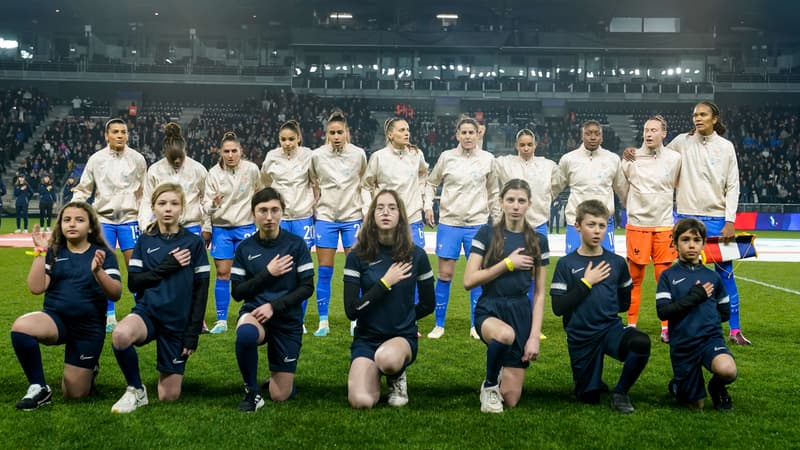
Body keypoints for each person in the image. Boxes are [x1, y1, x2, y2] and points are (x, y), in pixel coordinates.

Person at [11, 202, 122, 410]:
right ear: (60, 224)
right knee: (21, 327)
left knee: (74, 394)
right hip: (56, 320)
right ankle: (39, 387)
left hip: (88, 328)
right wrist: (40, 252)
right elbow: (36, 288)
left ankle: (90, 368)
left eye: (79, 220)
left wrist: (98, 272)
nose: (72, 224)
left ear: (90, 227)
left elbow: (115, 294)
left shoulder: (103, 254)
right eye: (67, 220)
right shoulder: (54, 252)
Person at [110, 183, 210, 413]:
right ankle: (136, 390)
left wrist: (192, 333)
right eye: (162, 203)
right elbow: (134, 283)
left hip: (177, 321)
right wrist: (167, 266)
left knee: (168, 396)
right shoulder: (145, 241)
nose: (168, 209)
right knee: (120, 335)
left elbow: (201, 290)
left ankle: (167, 368)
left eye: (174, 204)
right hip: (149, 313)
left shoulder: (193, 243)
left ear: (182, 209)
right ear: (153, 207)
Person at [550, 200, 650, 414]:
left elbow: (624, 301)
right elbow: (558, 307)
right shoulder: (566, 264)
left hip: (609, 330)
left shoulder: (616, 263)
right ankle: (590, 380)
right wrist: (587, 283)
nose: (597, 231)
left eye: (602, 225)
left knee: (640, 342)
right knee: (589, 397)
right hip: (581, 336)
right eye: (591, 224)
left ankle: (620, 392)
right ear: (577, 226)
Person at [667, 102, 749, 346]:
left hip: (716, 220)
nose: (697, 118)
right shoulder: (682, 141)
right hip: (686, 218)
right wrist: (636, 151)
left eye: (702, 114)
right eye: (694, 115)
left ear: (715, 118)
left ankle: (734, 330)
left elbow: (733, 184)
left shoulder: (726, 147)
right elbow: (660, 155)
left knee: (725, 275)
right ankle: (678, 326)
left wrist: (730, 220)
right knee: (682, 276)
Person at [344, 190, 435, 409]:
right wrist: (385, 283)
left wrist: (406, 319)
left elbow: (428, 304)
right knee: (361, 402)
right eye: (380, 207)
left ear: (400, 216)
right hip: (367, 339)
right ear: (372, 215)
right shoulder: (357, 256)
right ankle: (374, 372)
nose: (386, 212)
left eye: (392, 208)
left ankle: (397, 375)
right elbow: (352, 310)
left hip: (401, 337)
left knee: (388, 359)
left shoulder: (417, 255)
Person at [463, 179, 548, 413]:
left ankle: (500, 370)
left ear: (529, 204)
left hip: (520, 312)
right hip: (490, 308)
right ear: (501, 202)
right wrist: (507, 264)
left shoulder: (538, 240)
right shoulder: (486, 233)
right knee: (504, 334)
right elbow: (468, 281)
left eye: (521, 201)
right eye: (510, 200)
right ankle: (490, 385)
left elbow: (540, 293)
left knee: (511, 398)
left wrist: (533, 337)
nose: (515, 206)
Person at [231, 187, 314, 412]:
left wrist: (273, 306)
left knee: (280, 395)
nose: (269, 217)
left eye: (274, 210)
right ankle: (252, 392)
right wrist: (268, 273)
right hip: (256, 315)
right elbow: (238, 293)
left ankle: (278, 381)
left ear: (282, 212)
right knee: (246, 333)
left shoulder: (296, 245)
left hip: (287, 319)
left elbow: (307, 288)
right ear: (253, 213)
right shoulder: (245, 249)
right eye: (263, 211)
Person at [424, 116, 499, 340]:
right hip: (450, 223)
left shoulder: (488, 159)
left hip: (477, 223)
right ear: (457, 135)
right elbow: (430, 183)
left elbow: (494, 192)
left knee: (476, 276)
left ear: (478, 135)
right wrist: (428, 206)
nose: (467, 136)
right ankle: (439, 324)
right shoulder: (447, 158)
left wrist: (496, 218)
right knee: (445, 274)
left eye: (471, 133)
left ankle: (476, 325)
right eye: (463, 132)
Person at [72, 118, 147, 332]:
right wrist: (72, 208)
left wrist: (144, 219)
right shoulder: (96, 160)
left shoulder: (138, 159)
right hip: (103, 219)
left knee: (135, 267)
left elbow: (144, 192)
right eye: (115, 132)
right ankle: (109, 314)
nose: (120, 135)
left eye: (123, 131)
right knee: (104, 266)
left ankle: (141, 310)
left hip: (130, 219)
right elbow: (84, 188)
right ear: (107, 135)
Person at [656, 218, 738, 410]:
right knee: (695, 405)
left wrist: (707, 321)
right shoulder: (668, 276)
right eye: (685, 240)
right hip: (683, 344)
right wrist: (694, 298)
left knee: (728, 370)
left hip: (710, 339)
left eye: (696, 240)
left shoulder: (712, 276)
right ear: (675, 243)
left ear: (703, 243)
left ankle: (716, 386)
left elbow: (724, 311)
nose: (691, 245)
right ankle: (679, 384)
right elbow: (663, 312)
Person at [619, 116, 681, 342]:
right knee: (634, 279)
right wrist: (633, 207)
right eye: (646, 129)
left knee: (664, 279)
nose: (649, 133)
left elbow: (676, 186)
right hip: (637, 226)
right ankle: (631, 324)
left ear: (664, 133)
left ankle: (666, 327)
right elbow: (621, 187)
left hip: (664, 226)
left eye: (654, 130)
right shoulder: (630, 158)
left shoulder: (675, 159)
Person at [310, 111, 367, 337]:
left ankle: (356, 319)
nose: (336, 136)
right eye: (332, 133)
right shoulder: (317, 156)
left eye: (339, 132)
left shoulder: (359, 155)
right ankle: (323, 321)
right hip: (326, 218)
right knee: (324, 271)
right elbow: (313, 181)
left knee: (355, 271)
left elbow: (364, 181)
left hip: (352, 217)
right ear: (326, 135)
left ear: (347, 133)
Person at [204, 131, 264, 334]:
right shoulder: (213, 174)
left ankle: (252, 315)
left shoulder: (252, 170)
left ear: (241, 151)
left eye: (234, 151)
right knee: (223, 273)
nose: (230, 155)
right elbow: (206, 206)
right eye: (226, 151)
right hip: (222, 229)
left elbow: (259, 193)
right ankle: (221, 320)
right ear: (220, 153)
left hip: (246, 226)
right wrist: (212, 204)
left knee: (251, 274)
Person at [261, 120, 316, 331]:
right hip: (279, 219)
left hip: (302, 217)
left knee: (301, 271)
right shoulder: (271, 157)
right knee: (280, 269)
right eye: (283, 139)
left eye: (291, 139)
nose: (287, 143)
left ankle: (299, 320)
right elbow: (265, 181)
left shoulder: (309, 156)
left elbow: (315, 181)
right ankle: (278, 313)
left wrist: (313, 204)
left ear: (298, 139)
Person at [552, 120, 626, 254]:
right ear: (582, 136)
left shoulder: (612, 159)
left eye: (597, 134)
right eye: (588, 133)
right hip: (576, 223)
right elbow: (555, 187)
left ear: (601, 137)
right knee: (574, 266)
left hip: (603, 222)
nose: (593, 137)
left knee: (606, 267)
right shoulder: (568, 159)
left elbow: (622, 190)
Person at [364, 117, 429, 248]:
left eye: (407, 130)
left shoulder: (416, 154)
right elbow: (366, 185)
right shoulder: (379, 157)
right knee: (386, 262)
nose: (407, 133)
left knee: (415, 263)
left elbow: (423, 174)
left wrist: (421, 193)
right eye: (402, 130)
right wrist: (367, 211)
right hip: (387, 220)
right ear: (390, 134)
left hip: (412, 218)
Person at [139, 122, 209, 237]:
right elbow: (147, 201)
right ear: (165, 153)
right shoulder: (155, 170)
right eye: (172, 158)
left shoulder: (198, 170)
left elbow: (207, 199)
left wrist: (207, 227)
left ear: (184, 150)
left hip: (191, 227)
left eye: (180, 157)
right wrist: (145, 225)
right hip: (162, 227)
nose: (177, 161)